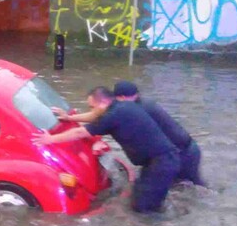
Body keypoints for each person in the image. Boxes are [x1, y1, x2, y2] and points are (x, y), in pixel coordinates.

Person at [32, 86, 180, 213]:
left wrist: (49, 139)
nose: (91, 110)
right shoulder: (123, 107)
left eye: (92, 106)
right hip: (162, 161)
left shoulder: (112, 116)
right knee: (142, 201)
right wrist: (70, 118)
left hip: (162, 163)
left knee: (143, 210)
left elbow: (79, 133)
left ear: (103, 103)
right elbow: (94, 116)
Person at [53, 81, 204, 186]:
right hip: (181, 151)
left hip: (182, 153)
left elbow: (98, 117)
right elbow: (98, 115)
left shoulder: (133, 109)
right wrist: (69, 117)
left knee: (186, 186)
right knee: (184, 187)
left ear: (122, 98)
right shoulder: (134, 106)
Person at [113, 81, 204, 186]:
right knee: (191, 187)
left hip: (181, 154)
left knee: (182, 187)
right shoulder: (145, 103)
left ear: (121, 97)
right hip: (189, 149)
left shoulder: (136, 110)